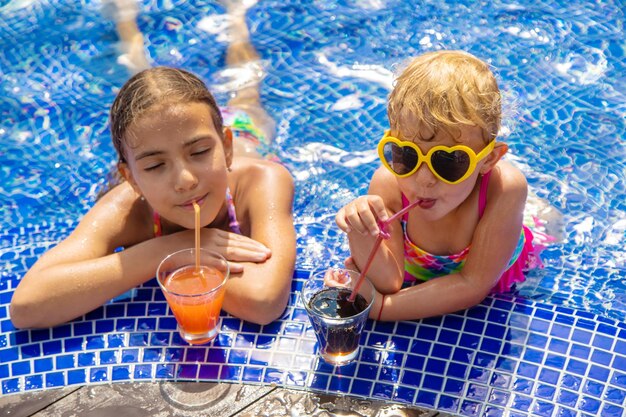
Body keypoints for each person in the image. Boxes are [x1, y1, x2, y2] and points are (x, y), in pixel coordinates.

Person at [10, 4, 296, 329]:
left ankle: (236, 17)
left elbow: (264, 302)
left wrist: (152, 258)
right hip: (178, 129)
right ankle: (125, 19)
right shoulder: (128, 206)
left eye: (201, 153)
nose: (185, 180)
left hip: (246, 136)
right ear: (130, 178)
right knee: (140, 81)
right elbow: (27, 307)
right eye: (156, 166)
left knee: (246, 91)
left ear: (224, 148)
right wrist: (172, 248)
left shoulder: (262, 181)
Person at [333, 50, 544, 322]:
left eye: (449, 161)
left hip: (494, 273)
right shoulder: (388, 184)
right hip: (419, 277)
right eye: (405, 155)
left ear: (488, 159)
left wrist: (383, 309)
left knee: (545, 225)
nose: (423, 180)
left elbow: (473, 284)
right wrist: (361, 230)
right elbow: (388, 282)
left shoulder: (503, 189)